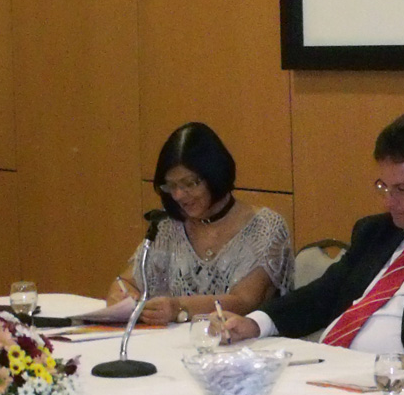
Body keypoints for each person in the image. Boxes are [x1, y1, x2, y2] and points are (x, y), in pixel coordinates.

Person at [215, 113, 404, 352]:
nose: (389, 202)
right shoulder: (375, 231)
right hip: (333, 365)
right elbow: (325, 293)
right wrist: (256, 323)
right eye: (384, 187)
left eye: (403, 190)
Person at [108, 123, 293, 324]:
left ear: (215, 174)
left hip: (242, 340)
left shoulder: (265, 227)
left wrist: (179, 307)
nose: (178, 195)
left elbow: (245, 302)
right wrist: (124, 295)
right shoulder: (169, 226)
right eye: (171, 186)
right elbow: (127, 281)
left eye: (190, 183)